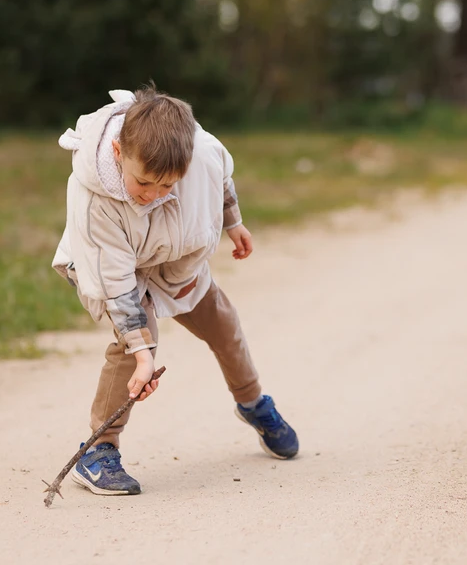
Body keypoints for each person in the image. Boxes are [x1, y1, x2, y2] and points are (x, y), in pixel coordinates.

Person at [52, 87, 298, 496]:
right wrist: (142, 352)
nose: (152, 194)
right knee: (134, 349)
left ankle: (254, 405)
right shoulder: (93, 200)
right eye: (143, 182)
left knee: (224, 325)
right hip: (120, 275)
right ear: (117, 151)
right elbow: (115, 285)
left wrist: (233, 222)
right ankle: (98, 452)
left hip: (175, 262)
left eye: (168, 185)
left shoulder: (202, 153)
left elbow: (221, 180)